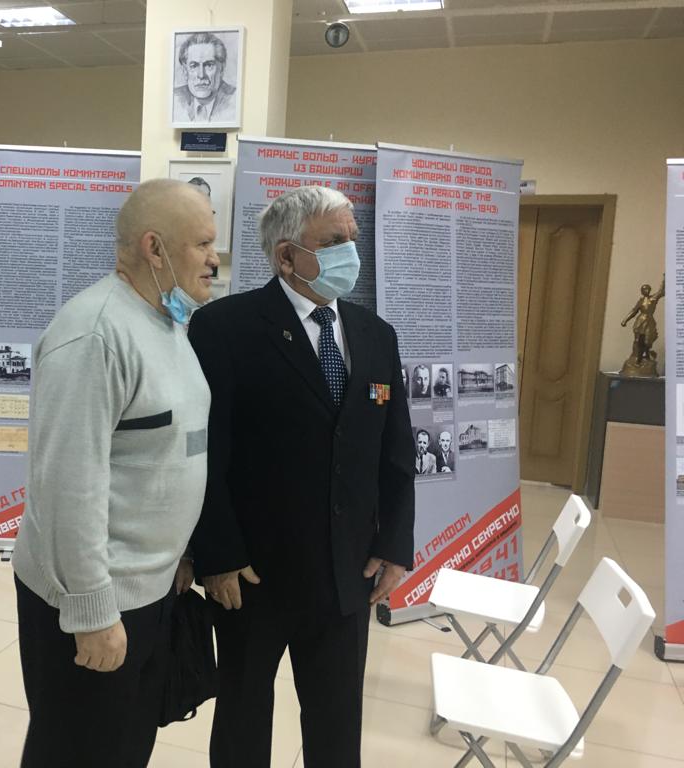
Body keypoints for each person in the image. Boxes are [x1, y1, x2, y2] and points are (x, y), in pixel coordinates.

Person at [187, 185, 414, 768]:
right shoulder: (223, 328)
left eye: (352, 239)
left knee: (337, 725)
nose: (350, 252)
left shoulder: (375, 335)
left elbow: (395, 451)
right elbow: (205, 453)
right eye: (334, 241)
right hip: (252, 576)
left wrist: (394, 544)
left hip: (347, 573)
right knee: (242, 721)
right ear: (287, 256)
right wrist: (217, 555)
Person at [11, 179, 219, 768]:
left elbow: (171, 451)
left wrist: (179, 557)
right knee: (77, 752)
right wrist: (93, 612)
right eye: (203, 244)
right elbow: (67, 487)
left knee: (123, 749)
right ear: (154, 248)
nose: (215, 260)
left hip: (150, 590)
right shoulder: (94, 335)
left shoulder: (166, 321)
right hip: (97, 602)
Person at [172, 31, 237, 124]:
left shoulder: (234, 99)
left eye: (209, 65)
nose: (201, 75)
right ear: (185, 71)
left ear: (221, 68)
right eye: (194, 66)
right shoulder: (175, 99)